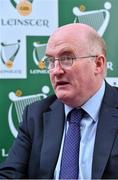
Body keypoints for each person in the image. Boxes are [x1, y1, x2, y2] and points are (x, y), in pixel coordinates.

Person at [0, 23, 118, 179]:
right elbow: (10, 174)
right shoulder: (35, 115)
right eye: (50, 61)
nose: (56, 70)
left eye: (67, 58)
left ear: (98, 64)